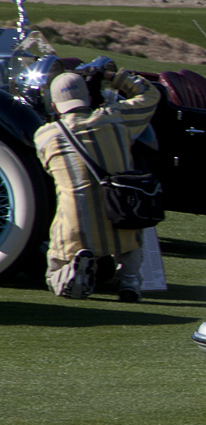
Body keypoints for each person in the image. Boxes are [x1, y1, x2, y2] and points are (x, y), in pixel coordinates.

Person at [34, 66, 161, 301]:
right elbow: (150, 95)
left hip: (75, 226)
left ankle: (68, 272)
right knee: (130, 231)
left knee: (55, 257)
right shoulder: (115, 118)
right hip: (119, 215)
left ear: (54, 106)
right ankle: (129, 279)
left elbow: (48, 171)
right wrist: (116, 77)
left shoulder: (45, 136)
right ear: (89, 97)